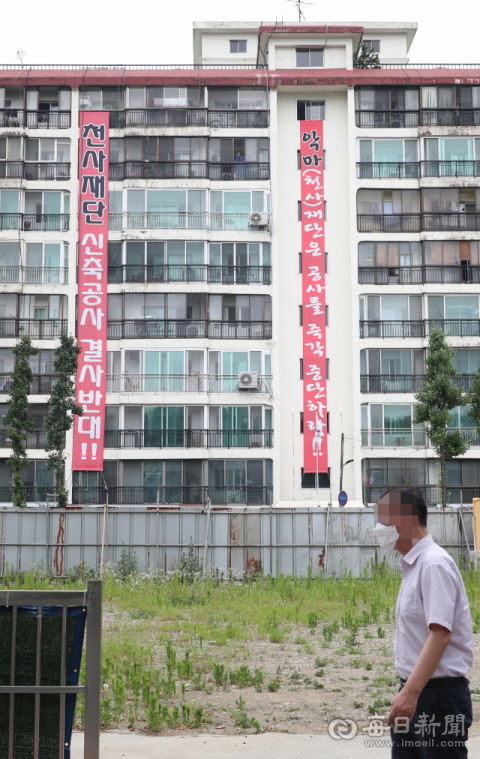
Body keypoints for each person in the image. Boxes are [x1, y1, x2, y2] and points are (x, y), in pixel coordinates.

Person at [374, 486, 473, 758]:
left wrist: (410, 693)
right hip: (417, 691)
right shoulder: (414, 565)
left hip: (437, 698)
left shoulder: (433, 565)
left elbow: (440, 634)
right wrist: (407, 692)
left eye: (383, 519)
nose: (378, 528)